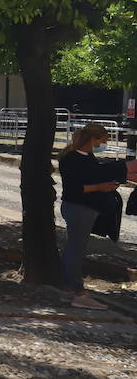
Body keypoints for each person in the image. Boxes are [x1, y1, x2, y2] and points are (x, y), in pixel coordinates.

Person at [57, 123, 130, 310]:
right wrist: (102, 187)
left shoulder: (84, 156)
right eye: (103, 140)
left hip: (79, 208)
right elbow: (76, 189)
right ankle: (79, 293)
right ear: (93, 140)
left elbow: (90, 177)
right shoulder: (73, 158)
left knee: (73, 250)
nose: (104, 144)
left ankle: (68, 290)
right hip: (79, 208)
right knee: (76, 251)